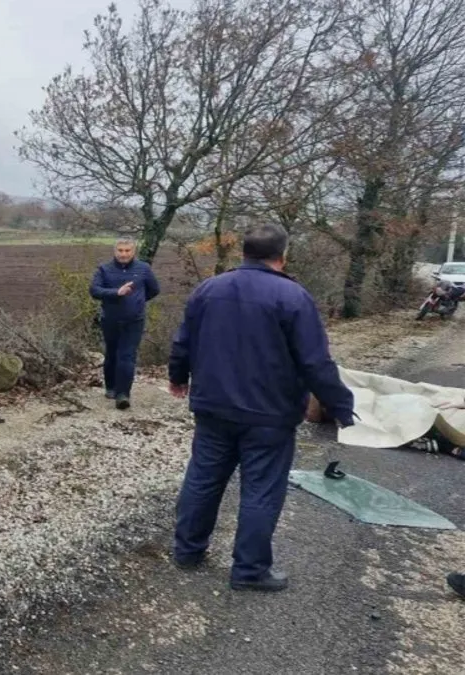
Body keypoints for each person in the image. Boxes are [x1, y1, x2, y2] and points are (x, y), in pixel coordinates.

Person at [167, 223, 355, 592]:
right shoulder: (293, 297)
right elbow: (315, 362)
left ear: (244, 253)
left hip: (213, 407)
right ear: (283, 255)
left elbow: (183, 341)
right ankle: (249, 570)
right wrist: (341, 406)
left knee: (202, 479)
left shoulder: (209, 288)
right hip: (270, 414)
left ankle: (187, 551)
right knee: (261, 490)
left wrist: (178, 377)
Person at [89, 237, 160, 409]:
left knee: (127, 355)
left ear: (133, 251)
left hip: (134, 320)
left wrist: (138, 301)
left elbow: (154, 290)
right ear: (115, 251)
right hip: (110, 319)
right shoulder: (104, 269)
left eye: (127, 250)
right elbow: (94, 290)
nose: (124, 254)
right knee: (112, 353)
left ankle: (123, 395)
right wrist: (116, 293)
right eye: (120, 250)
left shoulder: (143, 268)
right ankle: (111, 387)